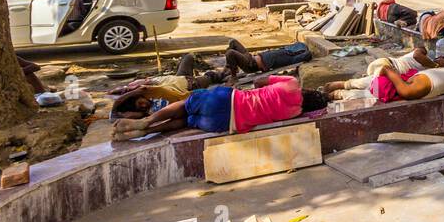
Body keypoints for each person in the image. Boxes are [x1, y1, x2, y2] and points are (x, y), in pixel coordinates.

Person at [113, 73, 313, 138]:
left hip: (228, 99)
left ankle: (147, 122)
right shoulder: (296, 112)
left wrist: (258, 87)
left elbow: (260, 81)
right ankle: (146, 132)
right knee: (187, 122)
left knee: (185, 105)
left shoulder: (292, 84)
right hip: (225, 124)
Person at [220, 38, 311, 80]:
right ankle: (230, 67)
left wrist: (298, 52)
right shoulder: (287, 50)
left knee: (230, 53)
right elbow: (299, 45)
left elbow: (307, 55)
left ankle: (233, 76)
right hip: (251, 57)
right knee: (233, 42)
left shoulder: (291, 58)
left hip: (251, 65)